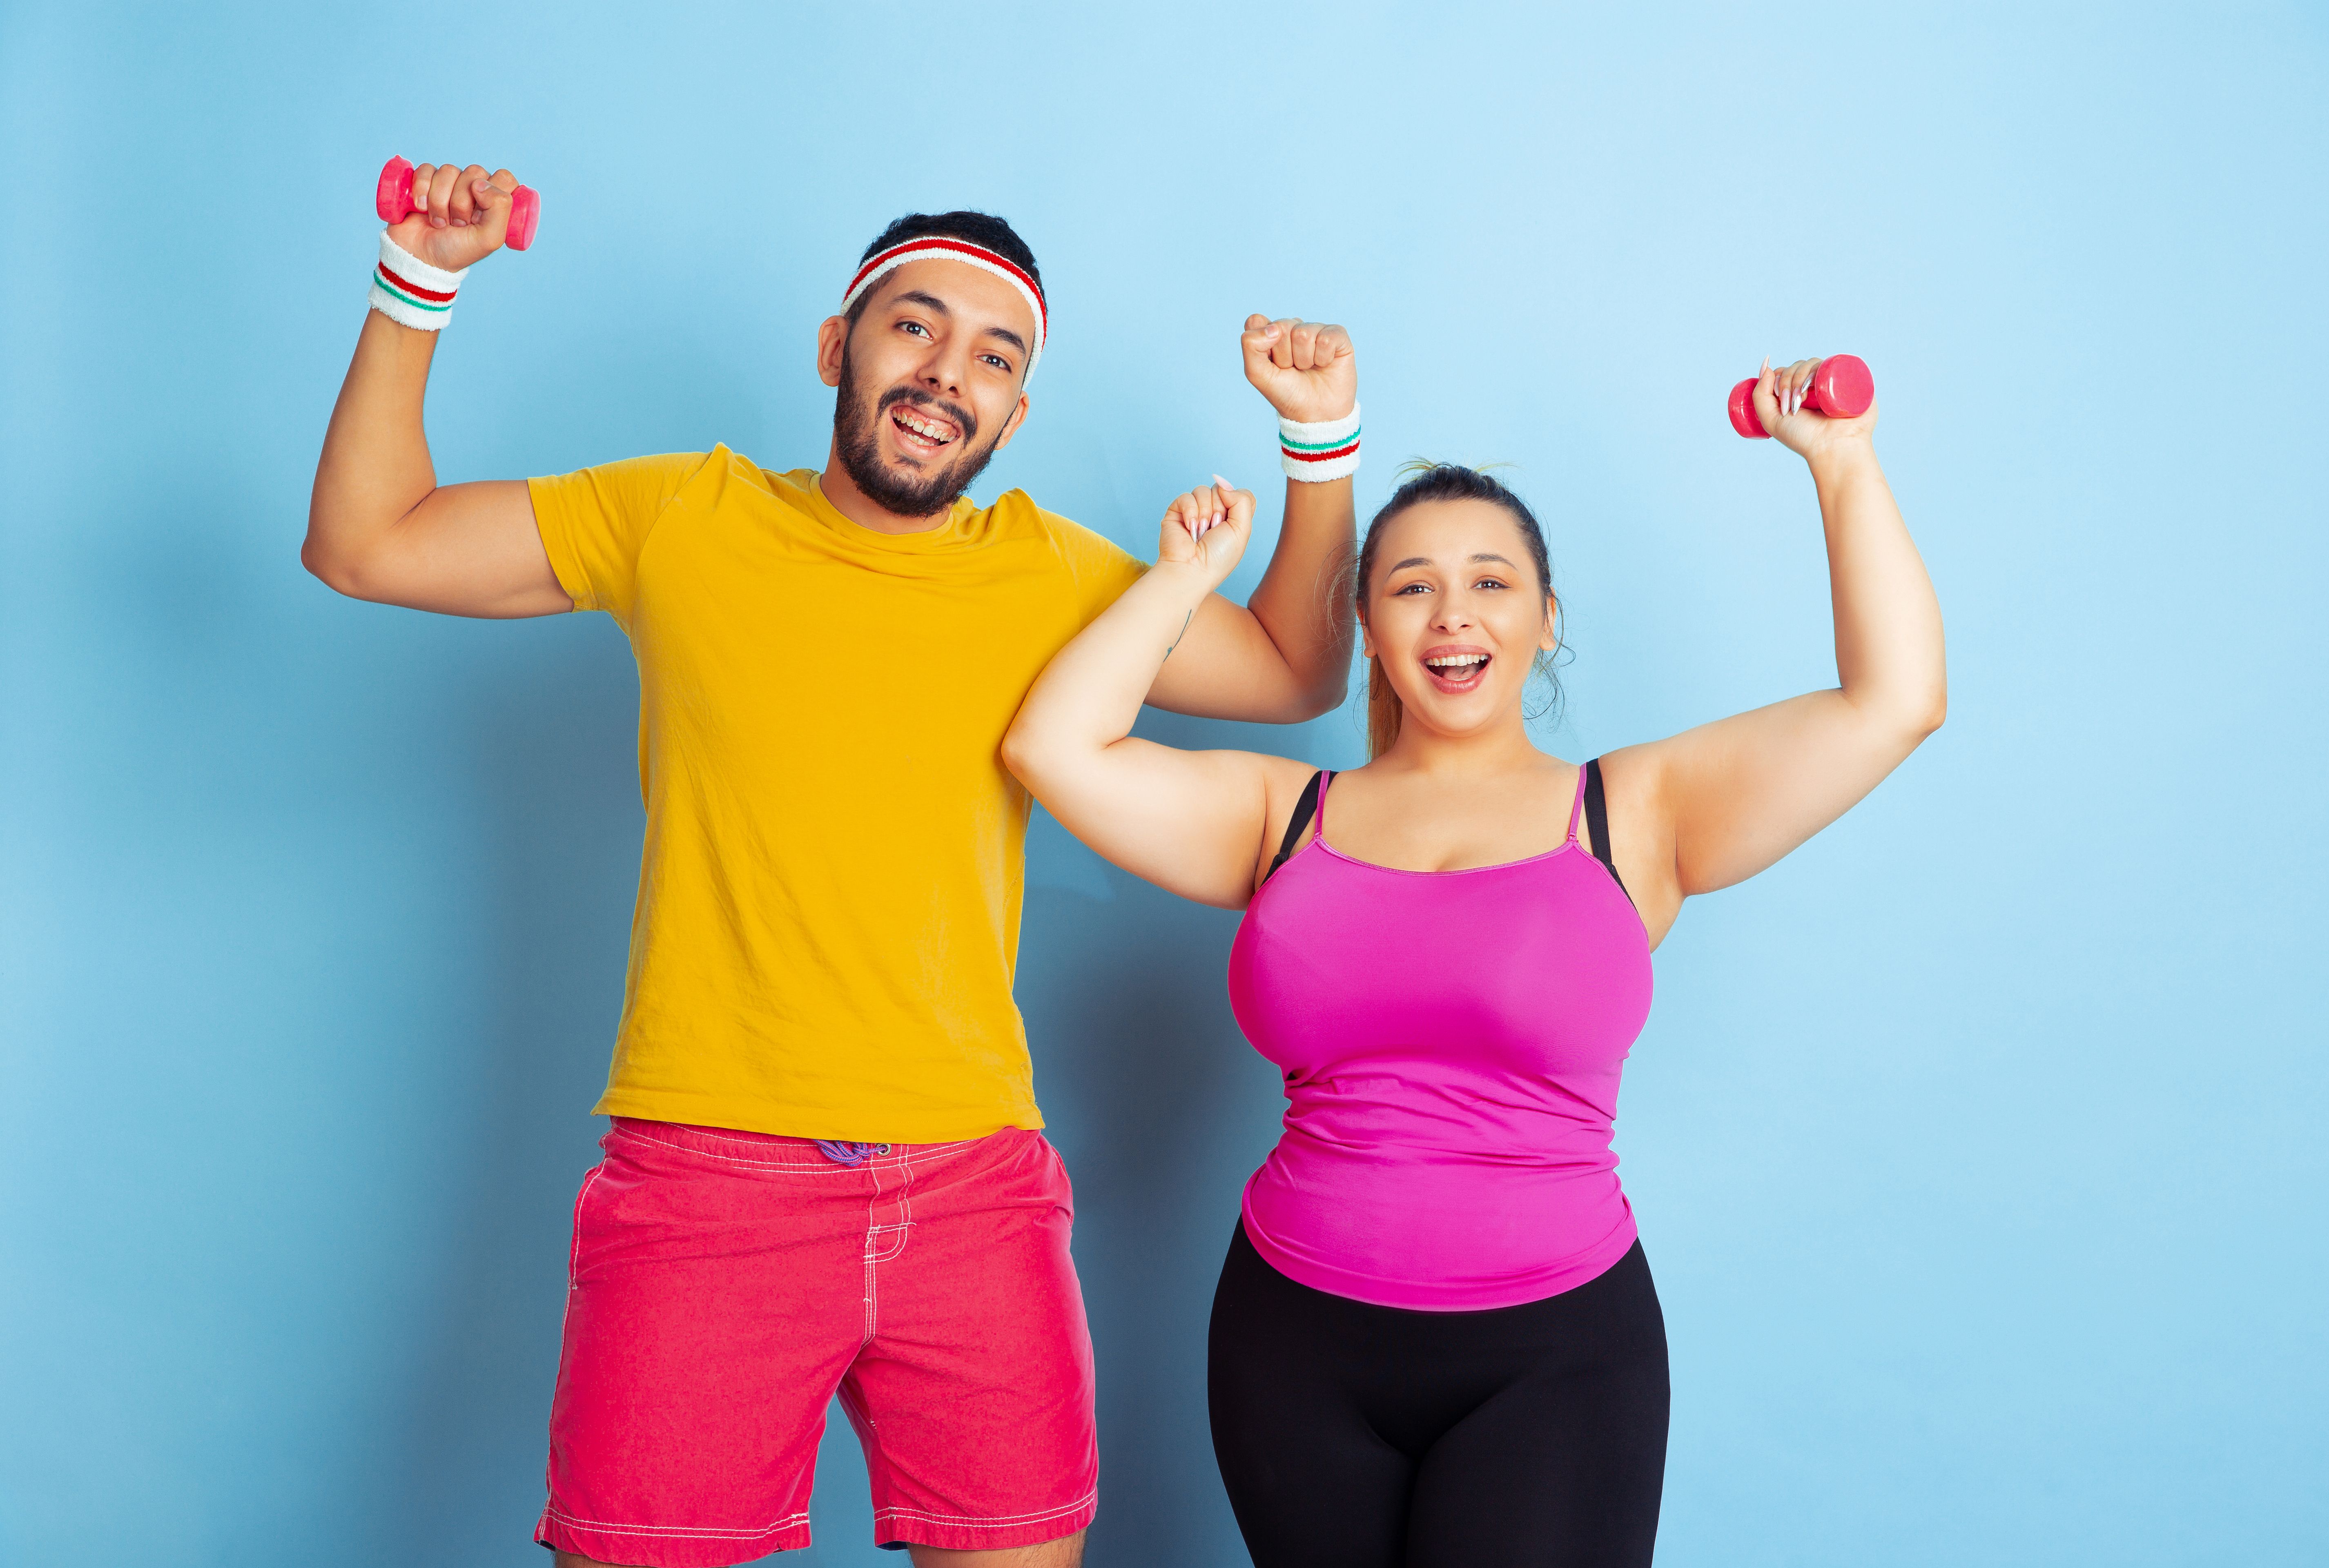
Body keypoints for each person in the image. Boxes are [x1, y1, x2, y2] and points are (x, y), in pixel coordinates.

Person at [303, 160, 1363, 1568]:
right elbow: (366, 543)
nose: (947, 375)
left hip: (975, 1188)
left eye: (994, 358)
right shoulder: (685, 518)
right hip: (705, 1187)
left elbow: (1298, 669)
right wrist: (418, 282)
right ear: (836, 348)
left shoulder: (1047, 572)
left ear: (1017, 412)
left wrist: (1323, 444)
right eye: (914, 327)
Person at [1000, 361, 1947, 1568]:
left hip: (1555, 1359)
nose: (1453, 615)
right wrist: (1183, 581)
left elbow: (1899, 699)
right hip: (1292, 1347)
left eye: (1491, 583)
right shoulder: (1277, 815)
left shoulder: (1639, 812)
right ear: (1369, 631)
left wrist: (1843, 463)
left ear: (1546, 618)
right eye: (1411, 588)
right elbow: (1052, 744)